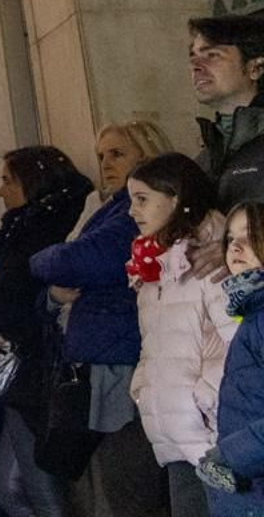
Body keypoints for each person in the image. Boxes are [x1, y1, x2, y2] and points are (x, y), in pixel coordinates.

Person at [30, 120, 172, 517]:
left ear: (146, 156)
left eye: (116, 154)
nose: (105, 164)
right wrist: (54, 288)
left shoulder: (133, 213)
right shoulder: (105, 207)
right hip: (101, 358)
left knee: (128, 491)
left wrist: (39, 263)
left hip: (123, 360)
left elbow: (77, 258)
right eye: (100, 156)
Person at [0, 145, 92, 517]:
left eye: (7, 181)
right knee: (9, 485)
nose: (0, 192)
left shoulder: (48, 228)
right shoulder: (29, 226)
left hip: (42, 366)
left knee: (31, 486)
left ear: (34, 180)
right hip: (26, 366)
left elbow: (22, 290)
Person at [125, 153, 233, 517]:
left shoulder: (208, 262)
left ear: (177, 198)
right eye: (131, 200)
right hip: (171, 430)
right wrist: (144, 389)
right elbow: (152, 346)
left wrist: (202, 401)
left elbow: (240, 343)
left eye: (142, 199)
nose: (132, 211)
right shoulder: (152, 271)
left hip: (214, 433)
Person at [198, 201, 264, 514]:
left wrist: (230, 457)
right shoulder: (253, 313)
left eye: (251, 236)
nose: (236, 245)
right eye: (230, 238)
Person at [190, 15, 264, 208]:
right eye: (193, 56)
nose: (196, 66)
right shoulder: (202, 162)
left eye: (212, 55)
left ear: (255, 68)